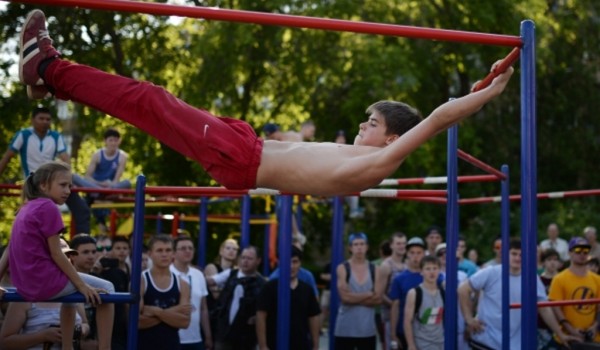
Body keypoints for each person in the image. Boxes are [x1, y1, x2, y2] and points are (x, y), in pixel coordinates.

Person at [18, 9, 514, 196]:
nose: (363, 124)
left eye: (372, 121)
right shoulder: (362, 156)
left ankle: (47, 67)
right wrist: (477, 90)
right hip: (245, 145)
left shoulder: (379, 162)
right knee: (148, 101)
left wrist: (487, 94)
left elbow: (438, 116)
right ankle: (49, 81)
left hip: (242, 157)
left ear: (392, 136)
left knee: (148, 98)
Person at [0, 161, 115, 350]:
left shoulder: (25, 208)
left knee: (71, 295)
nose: (68, 190)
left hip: (25, 284)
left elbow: (8, 251)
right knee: (108, 288)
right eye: (63, 185)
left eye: (70, 185)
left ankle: (67, 346)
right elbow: (56, 253)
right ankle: (105, 347)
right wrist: (82, 285)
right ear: (44, 185)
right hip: (45, 283)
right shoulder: (48, 207)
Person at [458, 238, 573, 350]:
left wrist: (559, 334)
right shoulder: (491, 272)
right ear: (506, 254)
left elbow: (544, 308)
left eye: (521, 255)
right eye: (514, 254)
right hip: (486, 341)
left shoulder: (531, 277)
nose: (518, 258)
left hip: (515, 344)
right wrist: (468, 319)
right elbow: (463, 289)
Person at [0, 105, 91, 234]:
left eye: (48, 119)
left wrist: (68, 181)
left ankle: (82, 244)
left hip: (52, 182)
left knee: (82, 209)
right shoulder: (23, 135)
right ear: (32, 120)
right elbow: (7, 157)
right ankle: (22, 243)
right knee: (34, 214)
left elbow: (66, 159)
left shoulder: (55, 136)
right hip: (33, 183)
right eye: (41, 118)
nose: (45, 122)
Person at [256, 245, 321, 350]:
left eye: (295, 262)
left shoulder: (307, 289)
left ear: (300, 264)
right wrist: (263, 345)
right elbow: (261, 316)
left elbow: (313, 317)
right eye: (287, 261)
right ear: (279, 262)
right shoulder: (269, 287)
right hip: (274, 343)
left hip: (301, 344)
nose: (291, 266)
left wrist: (315, 345)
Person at [138, 234, 192, 350]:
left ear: (173, 254)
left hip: (172, 345)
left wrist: (155, 311)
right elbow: (137, 322)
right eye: (159, 250)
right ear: (150, 254)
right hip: (144, 345)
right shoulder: (141, 281)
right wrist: (173, 312)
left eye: (168, 250)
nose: (164, 254)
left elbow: (184, 322)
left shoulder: (183, 284)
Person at [206, 245, 266, 350]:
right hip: (223, 332)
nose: (245, 261)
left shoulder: (261, 284)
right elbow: (211, 281)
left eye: (249, 258)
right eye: (243, 257)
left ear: (258, 261)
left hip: (246, 336)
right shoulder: (231, 274)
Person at [73, 128, 131, 233]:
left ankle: (102, 195)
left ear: (119, 141)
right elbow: (87, 177)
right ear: (105, 141)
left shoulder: (122, 156)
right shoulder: (98, 155)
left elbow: (116, 180)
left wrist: (109, 185)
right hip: (95, 187)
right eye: (111, 140)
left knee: (127, 183)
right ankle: (102, 195)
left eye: (115, 140)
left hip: (110, 188)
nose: (113, 143)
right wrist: (101, 185)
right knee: (74, 177)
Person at [334, 232, 384, 350]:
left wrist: (353, 297)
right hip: (345, 329)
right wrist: (368, 294)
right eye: (356, 244)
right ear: (350, 248)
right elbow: (345, 298)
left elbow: (377, 299)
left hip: (367, 330)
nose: (359, 247)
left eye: (362, 244)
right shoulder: (343, 268)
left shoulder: (375, 269)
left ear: (367, 247)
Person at [390, 236, 440, 350]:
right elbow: (395, 307)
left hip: (430, 334)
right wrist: (393, 334)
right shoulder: (399, 279)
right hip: (405, 331)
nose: (415, 256)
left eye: (419, 252)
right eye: (412, 252)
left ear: (424, 254)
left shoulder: (436, 277)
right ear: (407, 254)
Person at [548, 237, 600, 345]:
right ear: (570, 253)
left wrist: (595, 327)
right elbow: (555, 308)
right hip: (568, 339)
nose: (582, 254)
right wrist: (571, 330)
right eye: (577, 250)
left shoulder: (597, 279)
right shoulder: (559, 279)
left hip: (594, 338)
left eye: (585, 251)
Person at [170, 235, 213, 350]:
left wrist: (208, 336)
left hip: (196, 338)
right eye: (183, 248)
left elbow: (203, 308)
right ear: (174, 253)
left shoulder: (198, 274)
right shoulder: (167, 273)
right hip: (172, 337)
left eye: (190, 248)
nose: (187, 251)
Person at [403, 255, 444, 350]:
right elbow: (407, 321)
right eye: (428, 269)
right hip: (421, 344)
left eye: (435, 268)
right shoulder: (414, 293)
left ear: (439, 270)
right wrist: (411, 345)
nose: (432, 272)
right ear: (421, 271)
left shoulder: (443, 292)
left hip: (441, 343)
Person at [204, 238, 239, 341]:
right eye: (228, 248)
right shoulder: (212, 267)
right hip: (214, 313)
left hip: (228, 316)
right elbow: (216, 295)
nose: (231, 251)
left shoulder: (237, 271)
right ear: (221, 251)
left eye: (234, 249)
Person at [379, 232, 407, 350]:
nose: (401, 246)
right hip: (389, 318)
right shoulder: (386, 265)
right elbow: (380, 294)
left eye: (404, 243)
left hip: (405, 318)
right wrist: (395, 306)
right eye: (398, 243)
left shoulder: (406, 265)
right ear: (391, 245)